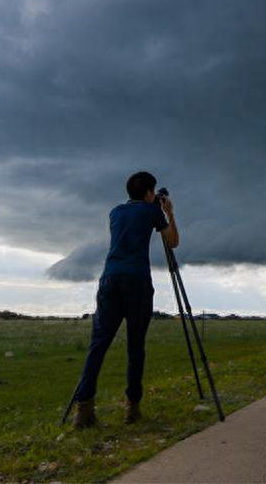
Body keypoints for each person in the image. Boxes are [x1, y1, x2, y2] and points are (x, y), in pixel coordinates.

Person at [72, 171, 180, 428]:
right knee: (135, 346)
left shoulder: (115, 213)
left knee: (98, 344)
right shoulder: (153, 212)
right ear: (148, 193)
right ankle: (132, 409)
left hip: (109, 279)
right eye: (153, 192)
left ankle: (83, 410)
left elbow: (131, 225)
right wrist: (169, 213)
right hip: (137, 281)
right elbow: (173, 242)